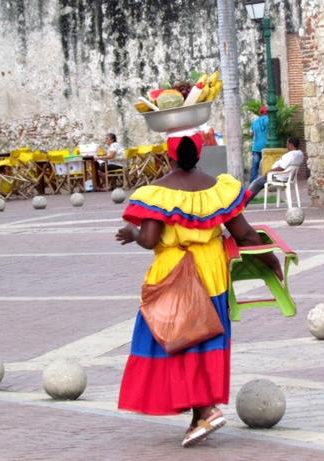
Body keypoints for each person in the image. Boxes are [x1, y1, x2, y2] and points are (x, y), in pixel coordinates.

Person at [115, 132, 282, 448]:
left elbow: (150, 239)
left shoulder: (157, 193)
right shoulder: (217, 188)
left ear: (170, 158)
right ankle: (198, 417)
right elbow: (245, 234)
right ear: (198, 156)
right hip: (211, 275)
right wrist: (269, 257)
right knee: (204, 341)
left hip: (174, 276)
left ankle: (206, 409)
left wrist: (132, 232)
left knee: (176, 341)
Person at [246, 135, 304, 206]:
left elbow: (282, 168)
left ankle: (244, 201)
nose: (286, 145)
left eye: (287, 143)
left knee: (256, 183)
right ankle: (245, 199)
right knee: (258, 182)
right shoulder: (300, 154)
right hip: (286, 177)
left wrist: (269, 171)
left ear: (291, 144)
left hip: (278, 177)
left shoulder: (291, 155)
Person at [249, 106, 269, 183]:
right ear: (267, 113)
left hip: (256, 147)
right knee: (266, 164)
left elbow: (251, 133)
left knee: (255, 165)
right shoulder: (269, 120)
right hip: (266, 146)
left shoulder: (255, 121)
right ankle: (266, 181)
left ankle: (253, 182)